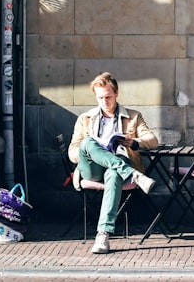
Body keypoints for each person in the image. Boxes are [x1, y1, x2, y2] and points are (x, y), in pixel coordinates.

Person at [68, 71, 159, 254]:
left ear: (116, 93)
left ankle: (103, 235)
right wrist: (92, 151)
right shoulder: (85, 118)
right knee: (87, 142)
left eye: (108, 97)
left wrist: (134, 142)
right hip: (92, 168)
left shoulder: (133, 116)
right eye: (100, 97)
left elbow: (152, 140)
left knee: (113, 172)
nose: (104, 101)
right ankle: (134, 175)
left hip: (117, 165)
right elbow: (72, 151)